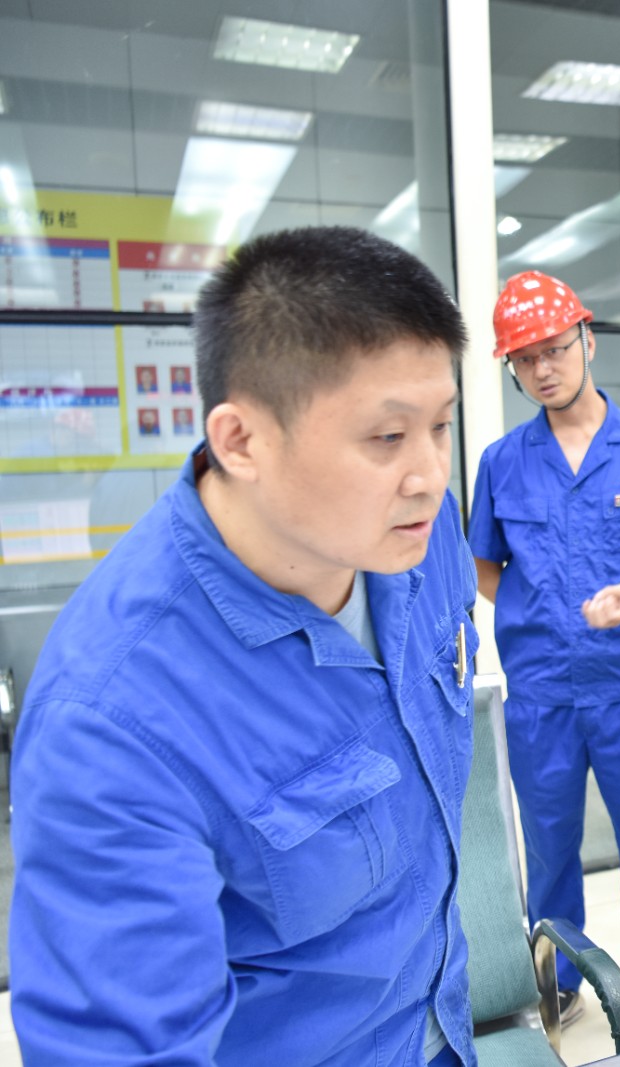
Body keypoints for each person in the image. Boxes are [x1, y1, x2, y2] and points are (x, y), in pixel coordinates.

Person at [10, 225, 481, 1064]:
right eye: (386, 437)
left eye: (441, 426)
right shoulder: (114, 722)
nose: (430, 473)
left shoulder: (416, 533)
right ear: (240, 441)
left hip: (440, 1030)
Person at [469, 270, 620, 1041]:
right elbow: (486, 565)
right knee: (550, 849)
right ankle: (557, 979)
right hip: (541, 694)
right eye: (525, 358)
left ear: (587, 340)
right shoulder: (501, 461)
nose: (543, 368)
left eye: (556, 349)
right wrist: (539, 612)